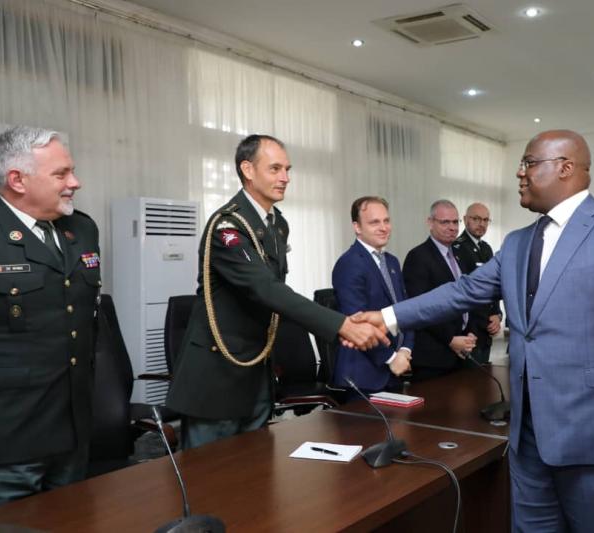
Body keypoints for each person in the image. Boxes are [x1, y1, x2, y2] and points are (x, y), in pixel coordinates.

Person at [354, 130, 594, 532]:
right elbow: (464, 291)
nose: (519, 174)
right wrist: (386, 317)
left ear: (565, 167)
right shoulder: (520, 242)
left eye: (528, 163)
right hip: (528, 438)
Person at [166, 134, 387, 450]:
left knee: (256, 475)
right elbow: (266, 289)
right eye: (275, 169)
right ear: (248, 170)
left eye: (287, 169)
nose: (285, 178)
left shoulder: (276, 224)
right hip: (218, 375)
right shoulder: (227, 226)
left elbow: (278, 291)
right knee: (208, 482)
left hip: (257, 370)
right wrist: (342, 325)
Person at [0, 126, 101, 504]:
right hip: (10, 436)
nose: (75, 182)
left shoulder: (81, 229)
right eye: (61, 174)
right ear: (17, 180)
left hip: (73, 427)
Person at [332, 196, 413, 394]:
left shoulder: (392, 262)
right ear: (357, 227)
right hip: (363, 378)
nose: (383, 227)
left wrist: (405, 350)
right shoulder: (349, 263)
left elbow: (405, 309)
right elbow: (357, 324)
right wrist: (391, 358)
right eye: (374, 222)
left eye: (386, 221)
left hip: (395, 372)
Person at [401, 199, 477, 381]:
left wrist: (471, 332)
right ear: (430, 223)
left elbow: (470, 296)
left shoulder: (462, 255)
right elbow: (420, 308)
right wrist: (451, 339)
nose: (452, 227)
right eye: (445, 222)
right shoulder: (418, 257)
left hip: (462, 353)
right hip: (433, 358)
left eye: (455, 222)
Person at [453, 202, 502, 364]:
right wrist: (471, 328)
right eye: (476, 219)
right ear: (466, 220)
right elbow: (464, 292)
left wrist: (497, 314)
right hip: (469, 331)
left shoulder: (486, 248)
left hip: (485, 330)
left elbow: (494, 284)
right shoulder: (457, 248)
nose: (481, 224)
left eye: (486, 220)